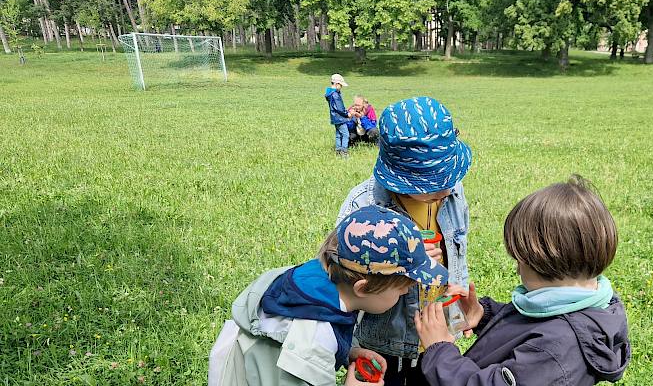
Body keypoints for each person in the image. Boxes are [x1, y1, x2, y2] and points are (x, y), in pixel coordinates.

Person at [415, 175, 631, 386]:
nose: (518, 269)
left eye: (520, 260)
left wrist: (440, 349)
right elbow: (528, 328)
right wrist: (483, 315)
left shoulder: (554, 352)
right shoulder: (581, 304)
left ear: (545, 262)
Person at [208, 206, 450, 386]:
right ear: (363, 288)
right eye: (400, 288)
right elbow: (305, 353)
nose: (406, 291)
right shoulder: (311, 343)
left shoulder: (317, 284)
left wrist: (348, 351)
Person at [336, 97, 473, 386]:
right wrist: (404, 257)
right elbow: (341, 276)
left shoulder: (452, 193)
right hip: (385, 344)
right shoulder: (365, 206)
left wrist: (457, 314)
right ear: (401, 182)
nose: (447, 188)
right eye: (434, 184)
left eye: (450, 177)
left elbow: (457, 256)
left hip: (438, 340)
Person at [325, 73, 351, 157]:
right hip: (340, 118)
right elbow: (339, 108)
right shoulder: (335, 94)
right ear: (336, 84)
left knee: (338, 134)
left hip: (334, 118)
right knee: (345, 134)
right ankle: (344, 152)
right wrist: (347, 114)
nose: (341, 87)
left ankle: (338, 150)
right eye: (341, 85)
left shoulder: (330, 93)